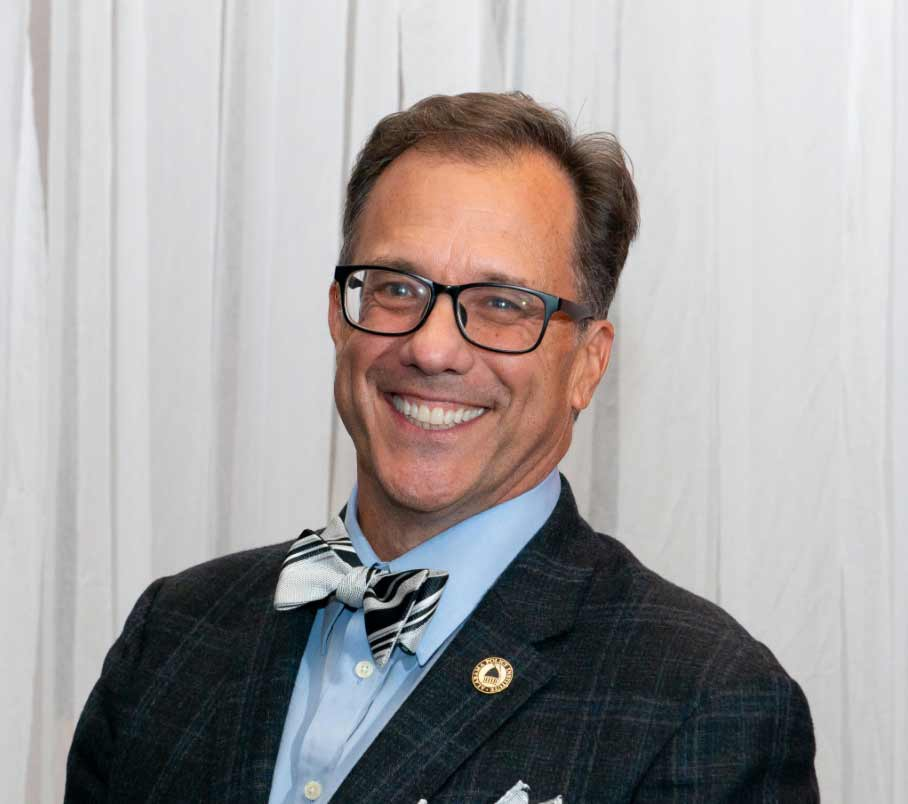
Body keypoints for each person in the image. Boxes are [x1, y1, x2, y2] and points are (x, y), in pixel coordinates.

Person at [65, 92, 818, 803]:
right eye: (397, 287)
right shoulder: (173, 632)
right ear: (338, 316)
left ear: (588, 364)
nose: (431, 349)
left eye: (501, 304)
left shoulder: (705, 703)